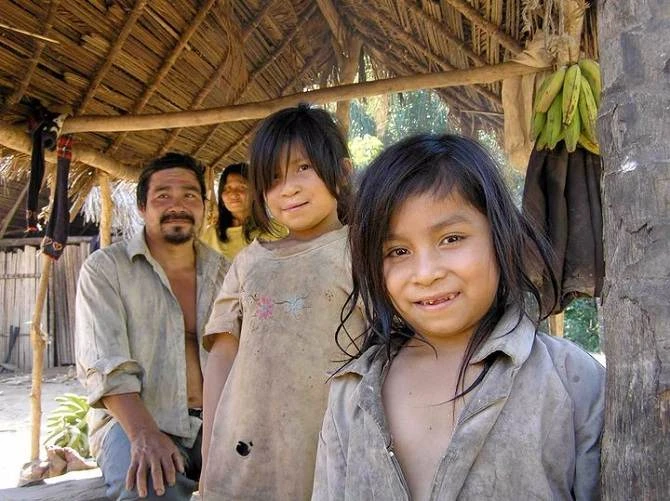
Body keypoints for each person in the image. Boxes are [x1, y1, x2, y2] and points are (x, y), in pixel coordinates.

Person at [312, 134, 605, 501]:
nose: (426, 273)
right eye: (398, 251)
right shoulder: (351, 392)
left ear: (501, 237)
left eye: (451, 239)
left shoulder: (572, 380)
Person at [201, 104, 367, 499]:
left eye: (303, 169)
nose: (287, 188)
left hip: (332, 451)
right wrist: (210, 451)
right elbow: (222, 354)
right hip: (245, 453)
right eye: (273, 178)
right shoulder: (249, 262)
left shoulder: (359, 253)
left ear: (341, 173)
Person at [75, 153, 228, 500]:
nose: (178, 205)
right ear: (142, 207)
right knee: (150, 489)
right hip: (137, 421)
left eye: (190, 195)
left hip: (218, 422)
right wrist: (144, 434)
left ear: (204, 207)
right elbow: (105, 366)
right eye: (163, 196)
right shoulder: (105, 270)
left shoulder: (226, 273)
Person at [199, 163, 253, 260]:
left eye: (242, 187)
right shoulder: (211, 234)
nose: (233, 194)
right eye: (227, 188)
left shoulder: (277, 231)